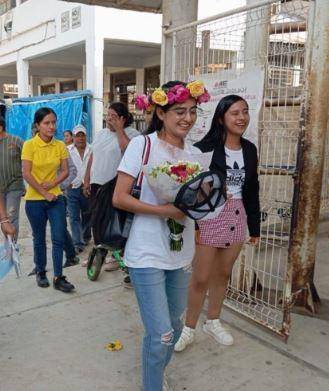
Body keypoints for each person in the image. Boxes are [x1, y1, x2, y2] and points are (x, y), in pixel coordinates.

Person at [112, 80, 209, 391]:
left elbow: (198, 202)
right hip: (146, 252)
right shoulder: (143, 145)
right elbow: (120, 197)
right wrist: (169, 211)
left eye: (193, 111)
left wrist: (204, 202)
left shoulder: (194, 153)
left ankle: (157, 372)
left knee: (176, 325)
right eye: (179, 111)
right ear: (161, 112)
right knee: (161, 334)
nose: (187, 118)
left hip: (181, 253)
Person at [175, 95, 260, 352]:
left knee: (223, 274)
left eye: (245, 112)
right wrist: (197, 223)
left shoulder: (249, 149)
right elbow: (193, 190)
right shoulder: (205, 148)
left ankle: (213, 321)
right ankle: (188, 328)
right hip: (210, 216)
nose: (241, 117)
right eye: (235, 112)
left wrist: (254, 227)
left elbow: (252, 189)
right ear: (222, 117)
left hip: (237, 215)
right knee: (200, 277)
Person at [21, 107, 75, 293]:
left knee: (59, 236)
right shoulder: (29, 145)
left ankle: (58, 277)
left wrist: (52, 183)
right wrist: (44, 193)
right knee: (39, 238)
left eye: (53, 122)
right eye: (47, 123)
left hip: (56, 198)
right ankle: (41, 271)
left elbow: (66, 171)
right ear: (37, 125)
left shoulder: (60, 145)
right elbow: (26, 174)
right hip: (35, 200)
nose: (52, 126)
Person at [83, 102, 139, 271]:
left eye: (114, 116)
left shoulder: (132, 134)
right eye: (108, 115)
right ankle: (98, 254)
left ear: (123, 118)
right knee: (97, 222)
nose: (109, 119)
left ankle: (118, 255)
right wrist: (86, 179)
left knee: (115, 222)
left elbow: (127, 150)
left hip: (115, 185)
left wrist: (120, 129)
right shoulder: (101, 134)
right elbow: (92, 157)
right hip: (97, 183)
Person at [66, 125, 92, 254]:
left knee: (87, 214)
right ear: (73, 138)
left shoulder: (92, 149)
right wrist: (66, 183)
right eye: (78, 136)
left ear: (86, 136)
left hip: (88, 187)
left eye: (82, 135)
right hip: (73, 187)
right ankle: (78, 243)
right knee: (74, 217)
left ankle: (86, 236)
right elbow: (61, 168)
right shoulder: (67, 150)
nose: (80, 138)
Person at [0, 116, 25, 240]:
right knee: (3, 218)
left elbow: (28, 157)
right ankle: (7, 245)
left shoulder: (16, 140)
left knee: (11, 215)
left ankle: (13, 248)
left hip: (14, 184)